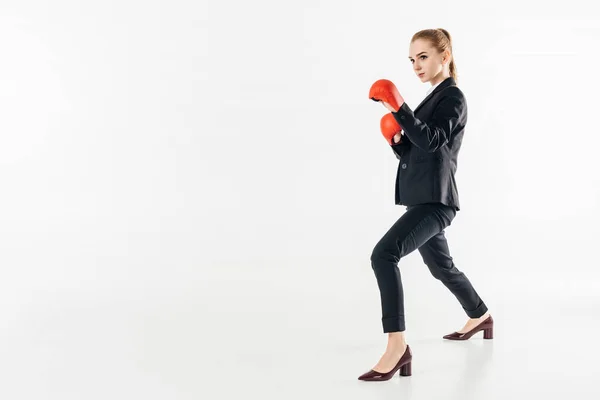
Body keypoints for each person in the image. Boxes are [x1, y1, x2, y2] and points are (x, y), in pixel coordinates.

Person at [358, 28, 493, 382]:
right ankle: (479, 315)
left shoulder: (453, 97)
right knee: (441, 267)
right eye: (412, 59)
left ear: (443, 56)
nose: (416, 65)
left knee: (383, 255)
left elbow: (433, 141)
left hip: (436, 202)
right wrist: (396, 141)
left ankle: (397, 346)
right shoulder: (433, 98)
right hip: (421, 198)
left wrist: (398, 106)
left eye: (423, 57)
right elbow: (419, 149)